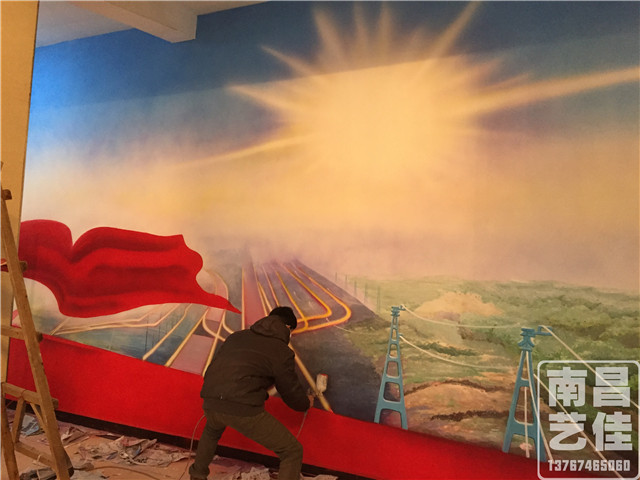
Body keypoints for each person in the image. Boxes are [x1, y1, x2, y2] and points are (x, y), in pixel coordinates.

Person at [189, 306, 312, 480]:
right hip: (241, 407)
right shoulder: (281, 351)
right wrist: (306, 403)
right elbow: (290, 393)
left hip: (211, 399)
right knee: (292, 451)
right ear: (287, 328)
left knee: (211, 431)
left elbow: (216, 367)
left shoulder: (236, 337)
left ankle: (196, 476)